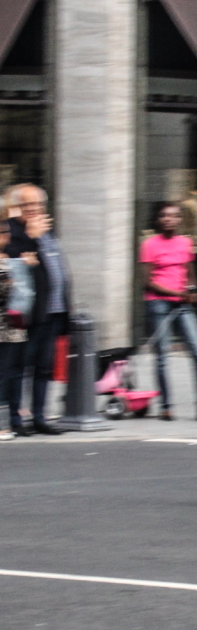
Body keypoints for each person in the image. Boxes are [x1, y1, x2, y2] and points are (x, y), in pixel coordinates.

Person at [141, 201, 197, 421]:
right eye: (164, 216)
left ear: (180, 220)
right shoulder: (149, 244)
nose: (169, 219)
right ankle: (166, 407)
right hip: (158, 303)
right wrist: (176, 293)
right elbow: (147, 282)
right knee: (162, 357)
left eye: (174, 216)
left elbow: (190, 273)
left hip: (183, 304)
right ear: (158, 220)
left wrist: (193, 290)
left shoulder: (185, 243)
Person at [4, 184, 70, 435]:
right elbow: (9, 261)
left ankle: (40, 417)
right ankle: (16, 420)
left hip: (53, 312)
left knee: (44, 368)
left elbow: (58, 267)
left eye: (38, 205)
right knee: (20, 368)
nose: (33, 209)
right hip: (27, 314)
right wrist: (30, 235)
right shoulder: (12, 231)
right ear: (18, 207)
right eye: (27, 204)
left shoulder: (47, 231)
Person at [0, 221, 27, 440]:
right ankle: (2, 427)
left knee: (14, 374)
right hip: (3, 327)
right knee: (3, 376)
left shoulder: (9, 260)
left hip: (15, 327)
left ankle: (14, 420)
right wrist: (12, 282)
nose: (5, 238)